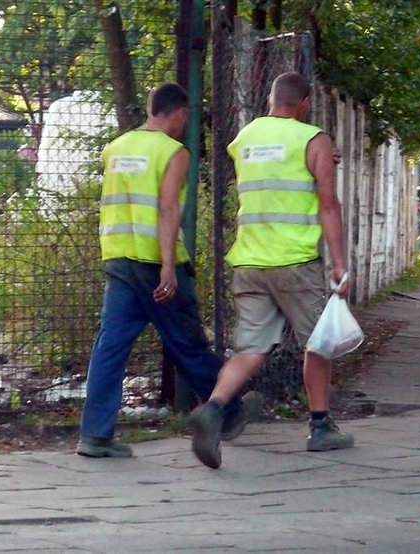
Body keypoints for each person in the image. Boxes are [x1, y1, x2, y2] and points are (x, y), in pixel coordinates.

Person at [77, 82, 257, 458]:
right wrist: (167, 268)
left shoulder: (116, 147)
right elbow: (167, 210)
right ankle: (227, 408)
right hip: (155, 262)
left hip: (119, 258)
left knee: (109, 347)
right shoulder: (173, 152)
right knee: (186, 343)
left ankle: (95, 435)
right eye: (185, 116)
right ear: (177, 113)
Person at [188, 72, 353, 469]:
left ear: (268, 101)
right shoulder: (312, 138)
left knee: (251, 348)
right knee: (318, 343)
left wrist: (322, 156)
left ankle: (213, 409)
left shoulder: (243, 140)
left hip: (249, 260)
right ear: (305, 103)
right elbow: (328, 203)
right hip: (294, 261)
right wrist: (339, 263)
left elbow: (275, 169)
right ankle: (320, 427)